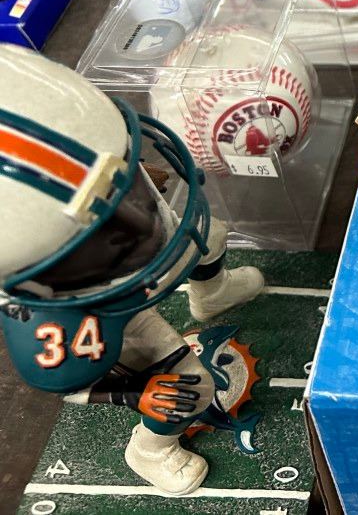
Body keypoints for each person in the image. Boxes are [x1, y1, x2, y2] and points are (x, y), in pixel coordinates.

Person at [0, 45, 264, 495]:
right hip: (107, 313)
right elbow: (67, 383)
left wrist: (130, 172)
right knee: (187, 390)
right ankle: (150, 450)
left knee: (210, 237)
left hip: (106, 282)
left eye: (124, 189)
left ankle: (212, 293)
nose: (143, 222)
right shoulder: (45, 324)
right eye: (99, 231)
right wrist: (134, 394)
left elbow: (88, 176)